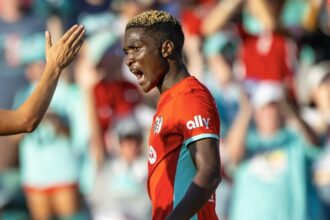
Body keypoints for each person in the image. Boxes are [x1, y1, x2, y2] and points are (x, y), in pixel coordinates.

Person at [123, 10, 222, 220]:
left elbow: (210, 171)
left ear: (167, 48)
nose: (129, 60)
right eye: (126, 52)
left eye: (136, 49)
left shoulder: (190, 96)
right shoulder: (169, 100)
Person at [0, 24, 85, 135]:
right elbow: (25, 121)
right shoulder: (22, 94)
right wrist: (54, 66)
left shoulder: (70, 92)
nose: (39, 66)